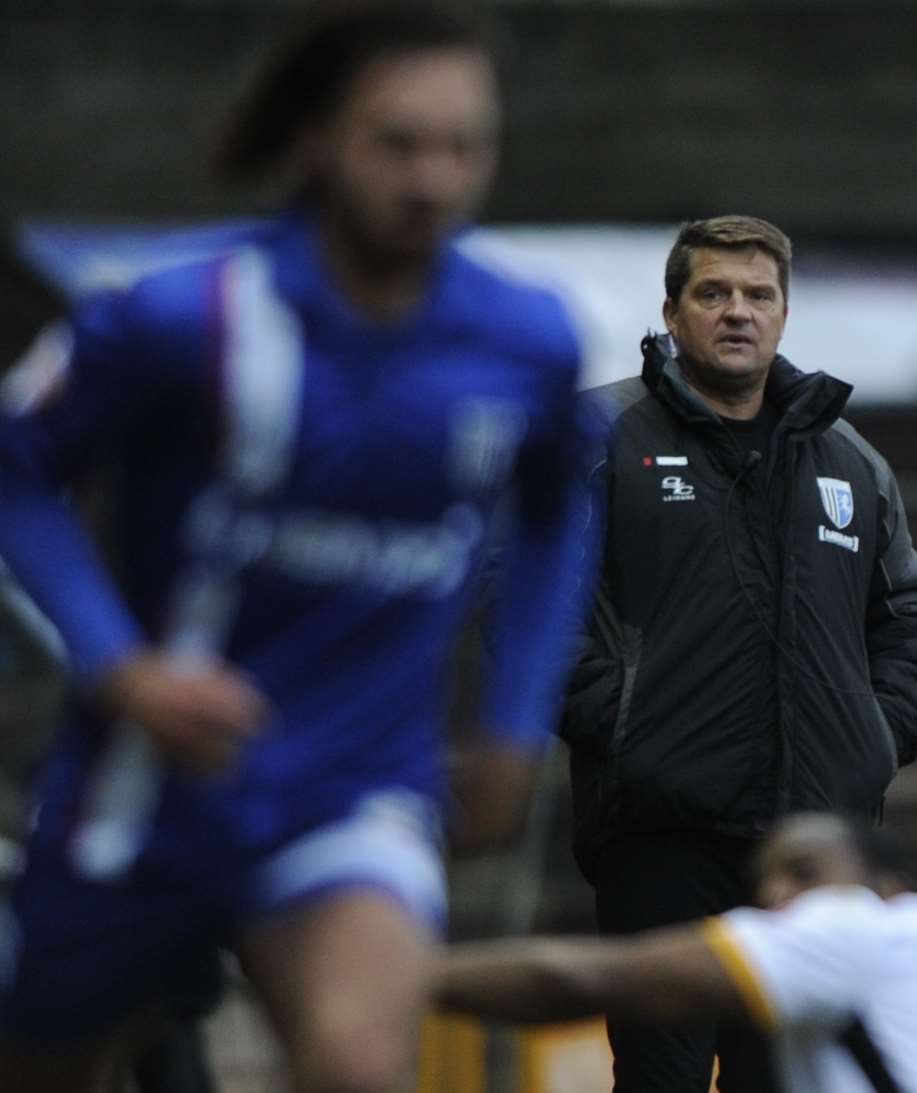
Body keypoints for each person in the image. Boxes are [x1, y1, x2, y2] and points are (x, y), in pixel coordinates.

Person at [0, 5, 600, 1090]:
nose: (435, 179)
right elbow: (16, 466)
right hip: (144, 798)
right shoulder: (178, 316)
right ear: (318, 138)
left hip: (357, 786)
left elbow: (562, 505)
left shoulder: (527, 337)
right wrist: (118, 663)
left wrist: (515, 722)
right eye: (400, 142)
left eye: (465, 146)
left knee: (361, 1063)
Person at [560, 214, 917, 1090]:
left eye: (758, 294)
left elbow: (909, 609)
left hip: (813, 843)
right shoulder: (603, 437)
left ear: (783, 312)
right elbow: (526, 592)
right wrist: (613, 719)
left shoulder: (851, 461)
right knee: (662, 1079)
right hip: (660, 833)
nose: (738, 311)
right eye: (714, 293)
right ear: (671, 309)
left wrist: (873, 735)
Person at [437, 812, 917, 1093]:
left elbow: (585, 979)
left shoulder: (857, 927)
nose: (778, 894)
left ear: (884, 886)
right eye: (766, 883)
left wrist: (413, 972)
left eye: (804, 871)